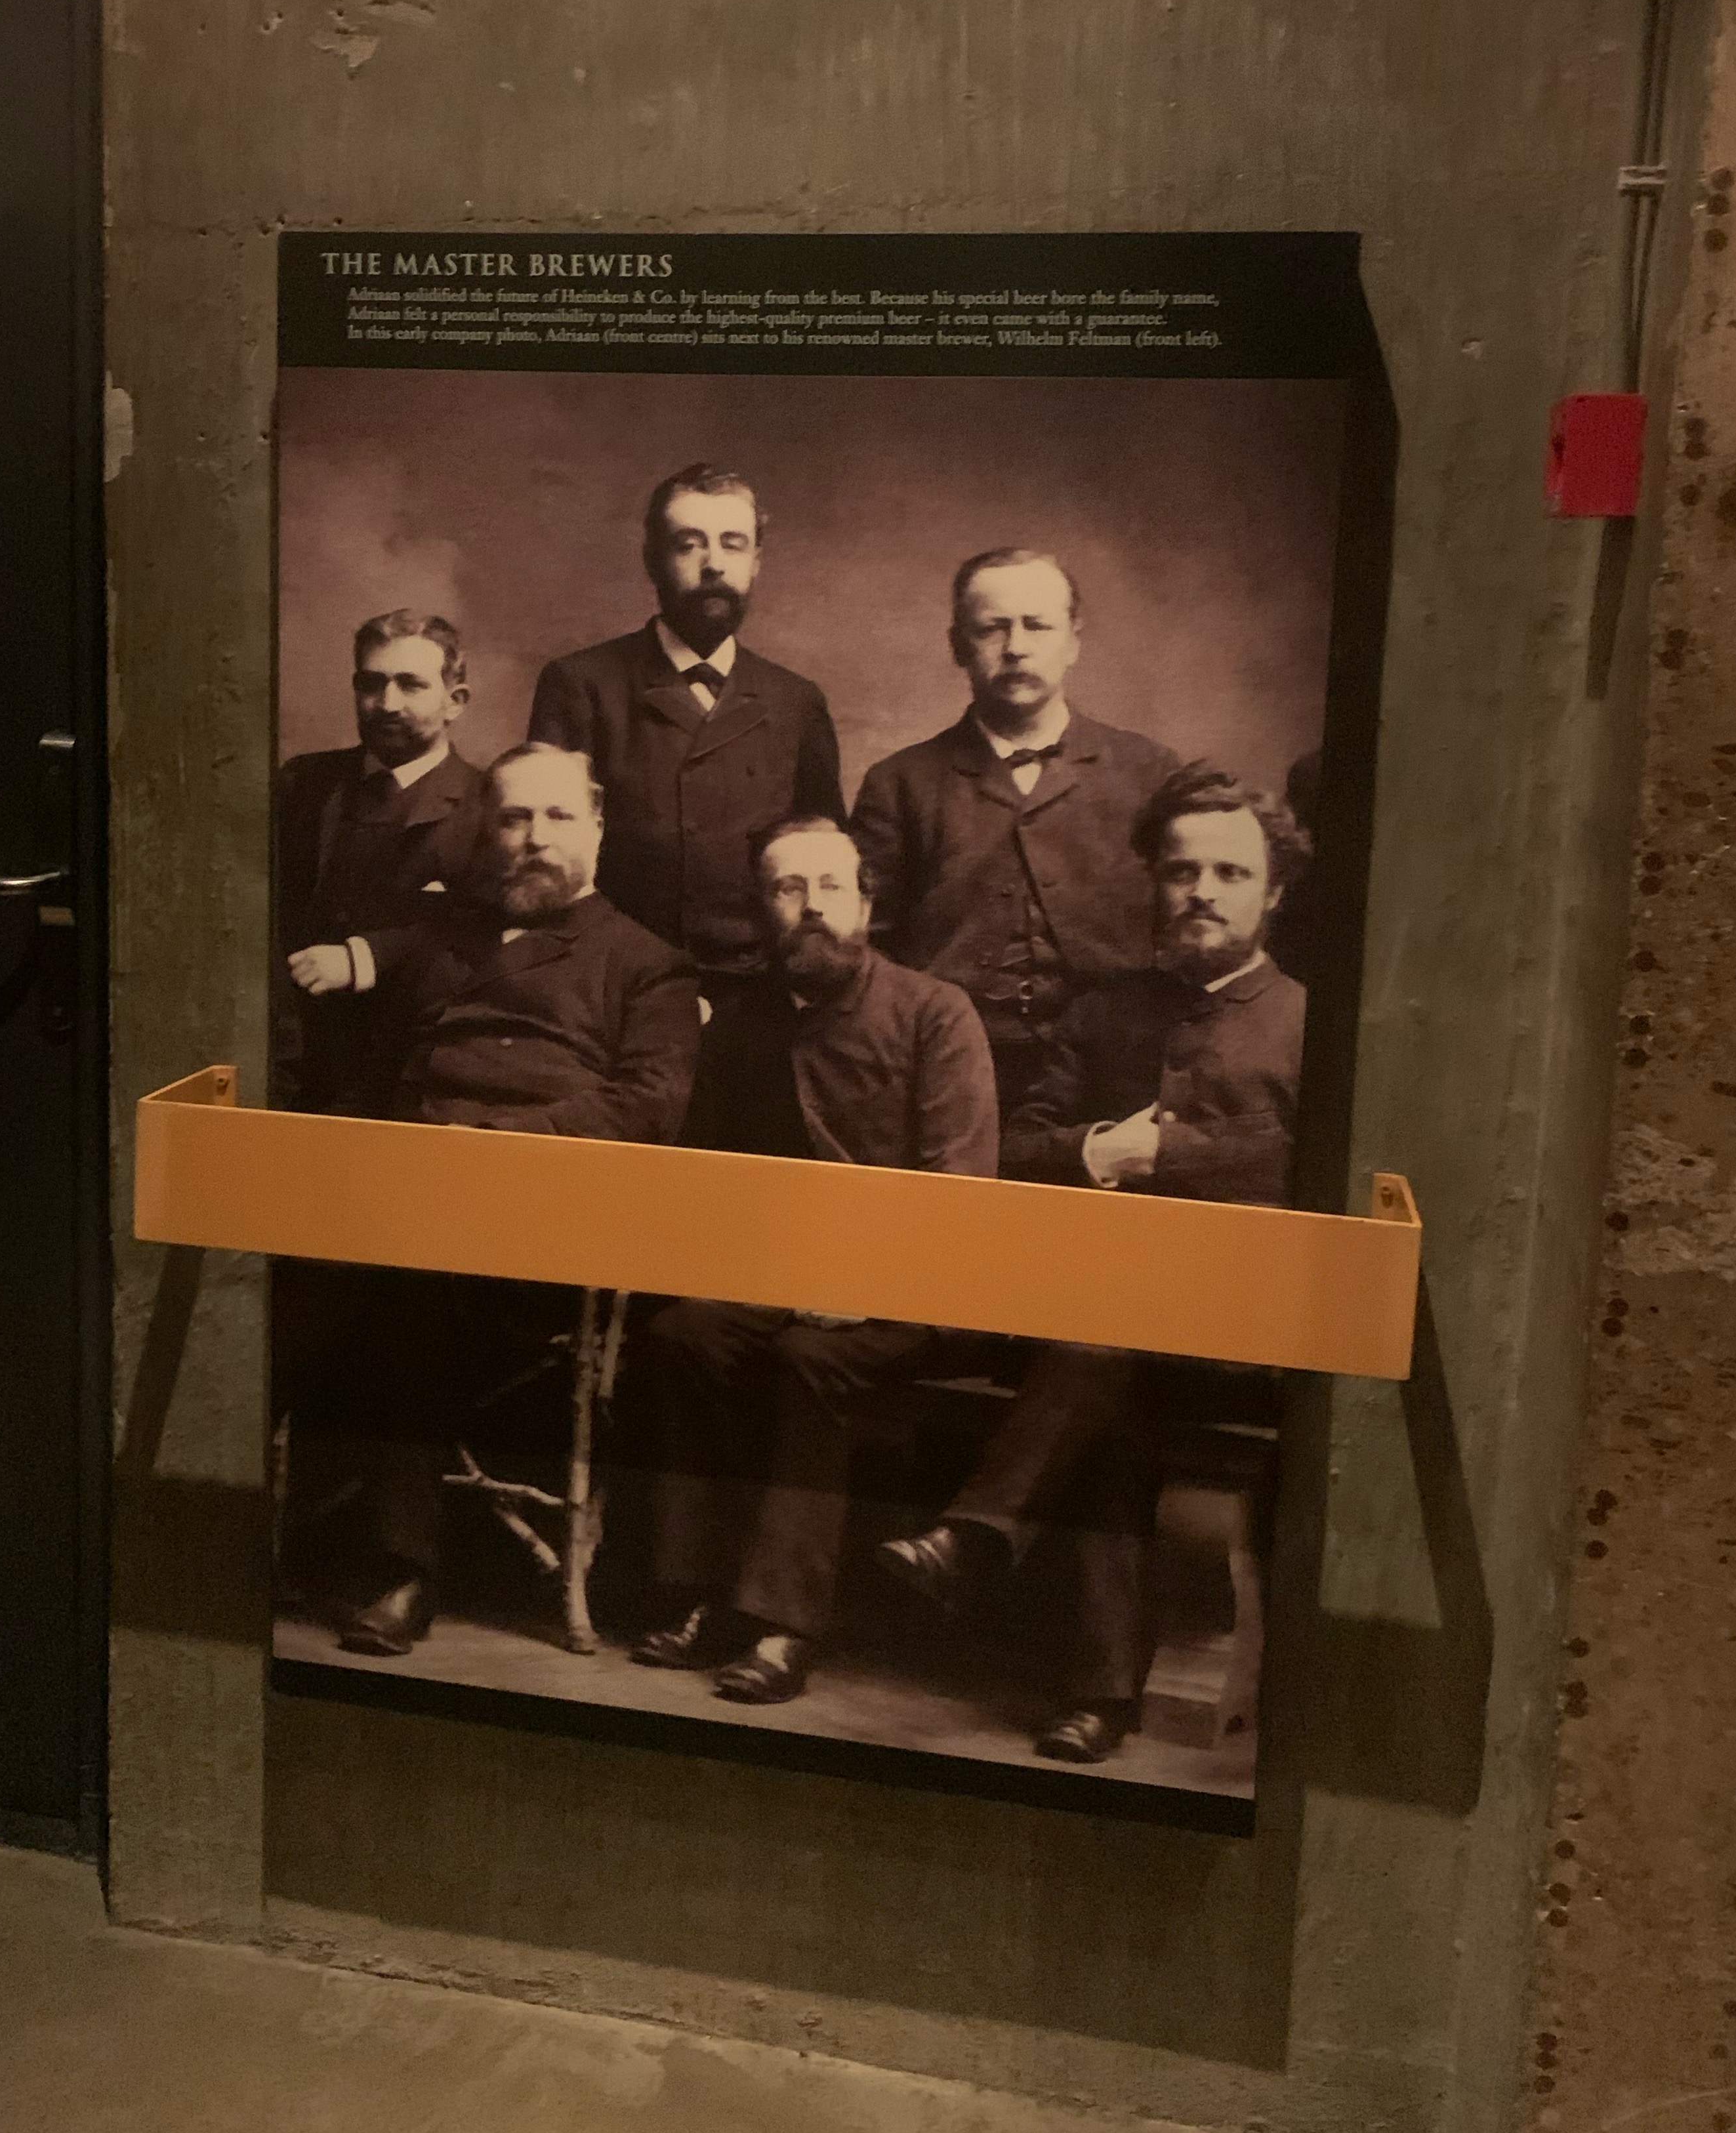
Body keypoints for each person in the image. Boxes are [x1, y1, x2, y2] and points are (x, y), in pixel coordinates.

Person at [877, 762, 1309, 1764]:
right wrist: (1096, 1153)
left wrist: (1175, 1157)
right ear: (1154, 880)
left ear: (1275, 891)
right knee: (1110, 1382)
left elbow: (1310, 1171)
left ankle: (975, 1537)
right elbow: (1013, 1148)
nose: (1202, 892)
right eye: (1182, 871)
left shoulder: (1308, 1023)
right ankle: (1097, 1700)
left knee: (1103, 1350)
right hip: (1097, 1334)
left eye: (1231, 874)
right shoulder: (1105, 1010)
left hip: (1243, 1329)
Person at [312, 743, 701, 1658]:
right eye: (515, 818)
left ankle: (405, 1570)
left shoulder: (649, 965)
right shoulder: (444, 941)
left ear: (598, 827)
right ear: (488, 831)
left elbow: (648, 1108)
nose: (534, 838)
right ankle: (236, 1531)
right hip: (406, 1194)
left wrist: (495, 1148)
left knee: (404, 1290)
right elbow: (379, 1080)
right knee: (279, 1274)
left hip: (548, 1228)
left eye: (558, 817)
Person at [629, 816, 997, 1708]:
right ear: (761, 911)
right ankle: (699, 1592)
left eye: (831, 886)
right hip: (779, 1283)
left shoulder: (934, 1013)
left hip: (919, 1294)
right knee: (682, 1337)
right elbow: (708, 1185)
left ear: (867, 903)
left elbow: (960, 1196)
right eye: (788, 889)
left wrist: (864, 1284)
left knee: (810, 1357)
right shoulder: (740, 1027)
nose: (812, 907)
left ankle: (782, 1623)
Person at [850, 549, 1179, 1121]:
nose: (1016, 647)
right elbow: (867, 948)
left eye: (1037, 626)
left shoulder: (1149, 771)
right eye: (992, 628)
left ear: (1073, 642)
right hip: (952, 1061)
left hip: (1119, 1063)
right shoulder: (899, 784)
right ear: (958, 646)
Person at [527, 463, 844, 1004]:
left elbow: (825, 856)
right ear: (653, 560)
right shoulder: (581, 685)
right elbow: (546, 853)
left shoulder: (797, 701)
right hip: (614, 987)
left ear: (756, 561)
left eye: (733, 544)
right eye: (689, 544)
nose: (713, 563)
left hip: (758, 994)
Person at [274, 608, 487, 1117]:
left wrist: (366, 956)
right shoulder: (304, 783)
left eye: (411, 685)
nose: (387, 704)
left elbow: (485, 929)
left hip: (414, 1061)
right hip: (292, 1052)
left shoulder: (488, 804)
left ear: (455, 701)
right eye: (371, 684)